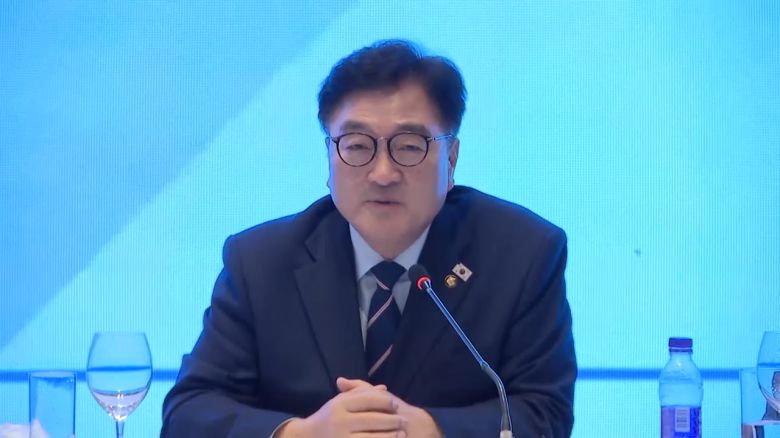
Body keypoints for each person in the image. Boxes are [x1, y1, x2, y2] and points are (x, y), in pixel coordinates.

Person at [162, 39, 576, 438]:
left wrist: (431, 431)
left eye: (409, 146)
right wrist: (301, 434)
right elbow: (189, 414)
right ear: (329, 157)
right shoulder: (260, 262)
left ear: (450, 161)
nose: (382, 173)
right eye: (357, 146)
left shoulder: (522, 254)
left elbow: (545, 413)